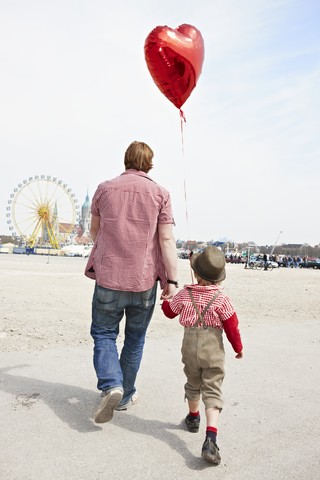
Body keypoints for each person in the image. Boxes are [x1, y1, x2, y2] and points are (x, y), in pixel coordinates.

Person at [85, 141, 178, 423]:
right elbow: (166, 239)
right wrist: (171, 281)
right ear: (149, 163)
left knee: (104, 334)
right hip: (144, 280)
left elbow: (94, 232)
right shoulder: (161, 194)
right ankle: (124, 395)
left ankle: (111, 384)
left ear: (126, 160)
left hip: (110, 277)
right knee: (135, 339)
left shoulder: (104, 189)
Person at [161, 246, 243, 465]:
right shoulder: (222, 298)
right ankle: (211, 438)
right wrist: (238, 349)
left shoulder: (185, 293)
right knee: (212, 386)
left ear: (196, 274)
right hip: (212, 346)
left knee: (193, 380)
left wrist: (165, 300)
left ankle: (193, 418)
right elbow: (232, 327)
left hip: (189, 343)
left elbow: (170, 313)